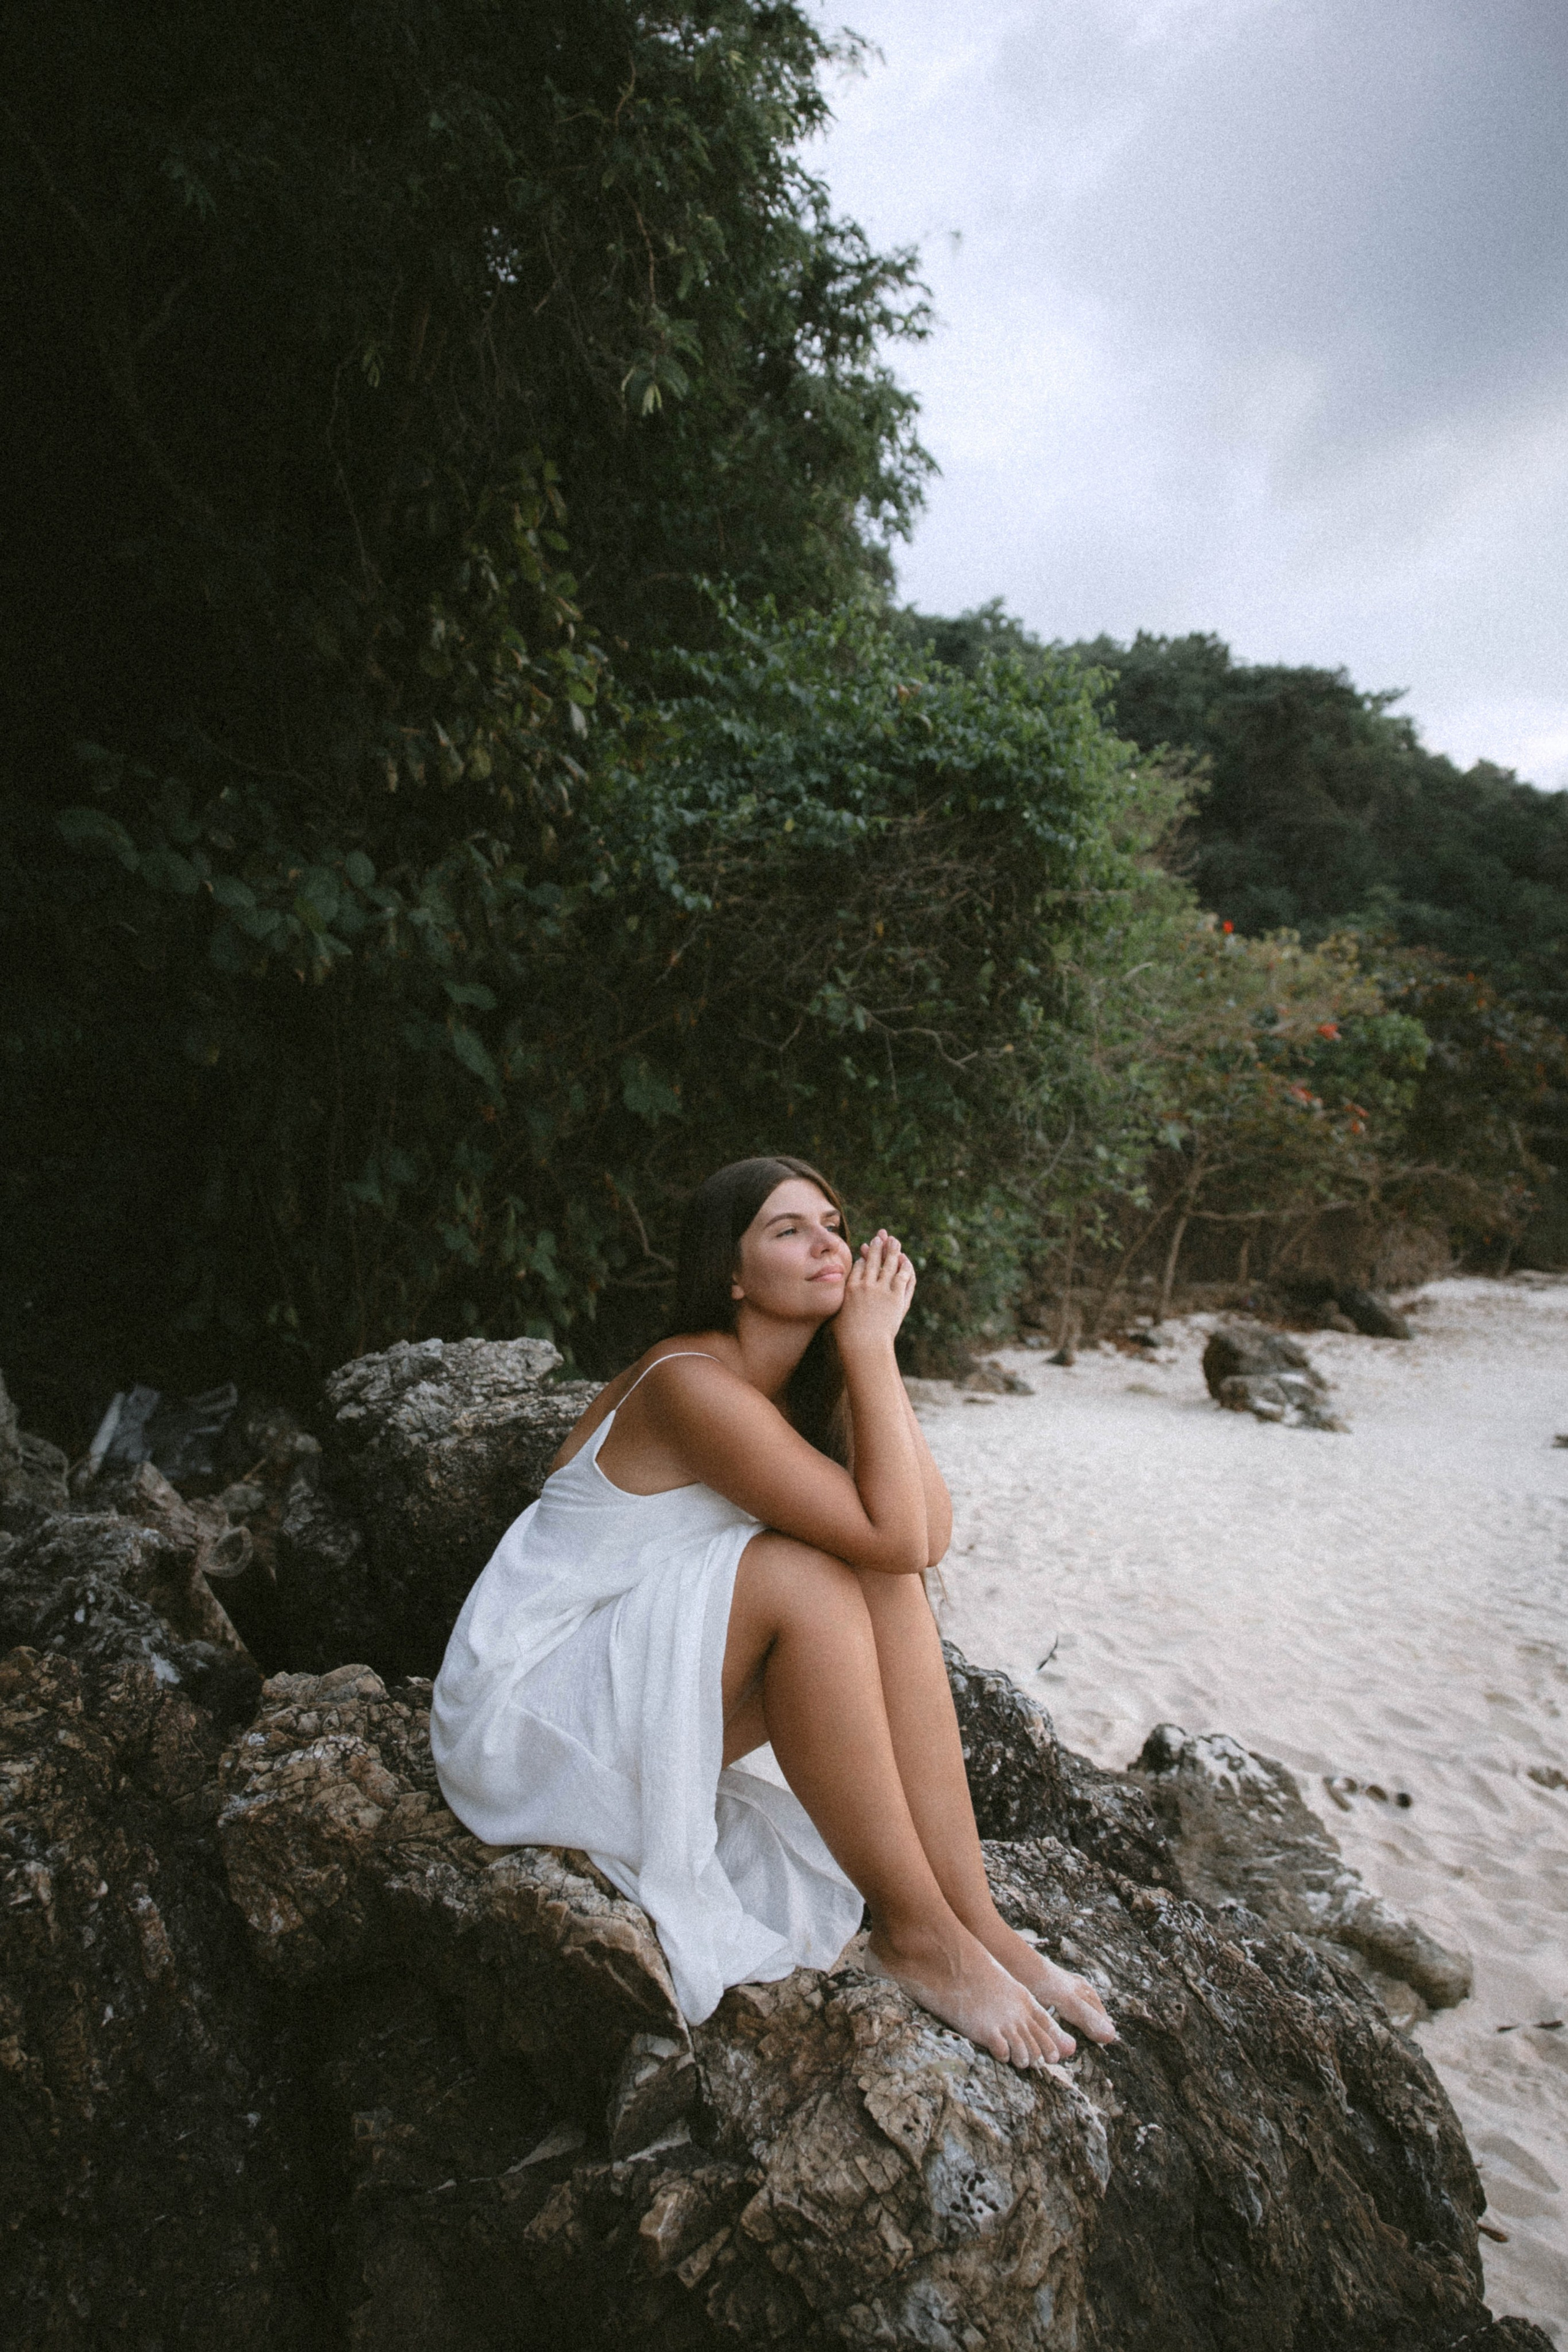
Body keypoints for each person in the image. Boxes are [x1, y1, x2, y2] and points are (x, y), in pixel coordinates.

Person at [431, 1155, 1115, 2070]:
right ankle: (918, 1934)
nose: (826, 1243)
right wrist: (867, 1349)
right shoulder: (687, 1382)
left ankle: (974, 1921)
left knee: (879, 1580)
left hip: (635, 1699)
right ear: (733, 1275)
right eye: (787, 1230)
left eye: (833, 1225)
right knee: (811, 1577)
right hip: (524, 1720)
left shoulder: (796, 1388)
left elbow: (922, 1540)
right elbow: (897, 1530)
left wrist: (871, 1358)